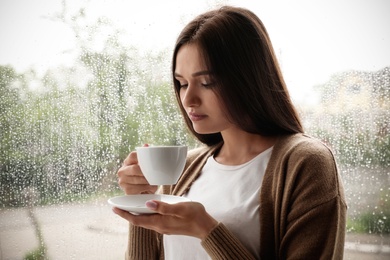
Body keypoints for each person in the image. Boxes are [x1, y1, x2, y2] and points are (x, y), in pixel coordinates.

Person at [113, 5, 347, 259]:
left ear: (248, 79)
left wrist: (206, 230)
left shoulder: (306, 163)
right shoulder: (185, 168)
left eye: (206, 83)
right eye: (182, 83)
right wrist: (143, 203)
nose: (188, 98)